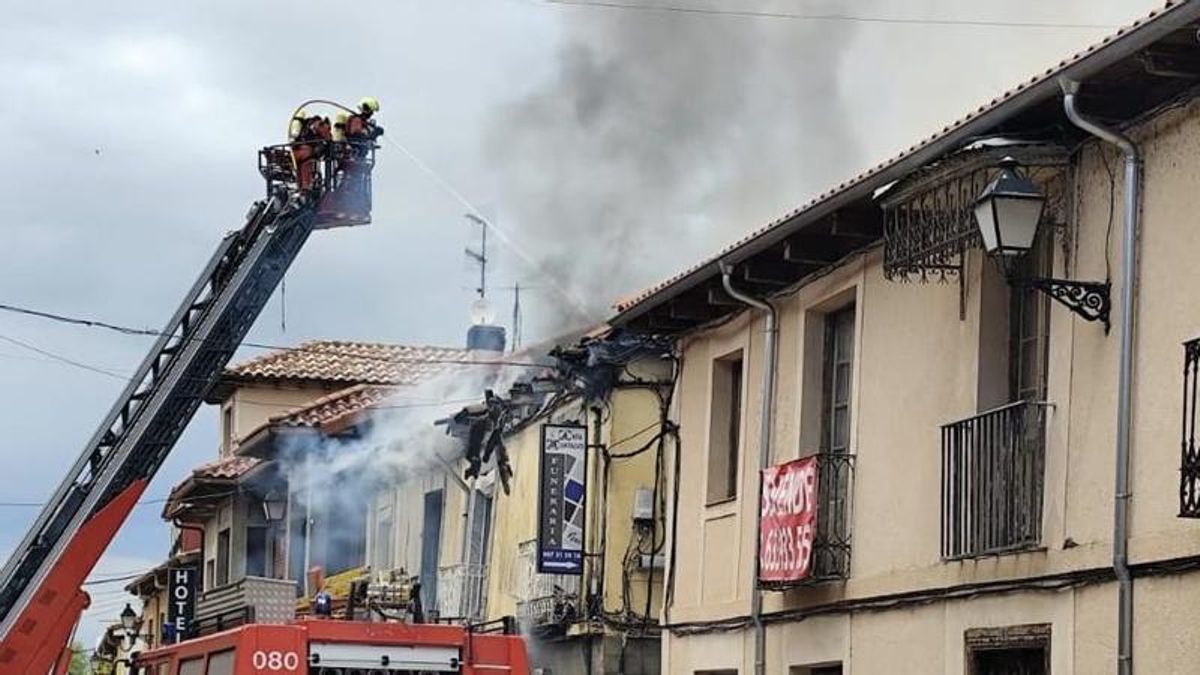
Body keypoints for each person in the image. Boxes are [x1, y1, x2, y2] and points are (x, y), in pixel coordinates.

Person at [290, 112, 332, 194]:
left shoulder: (305, 125)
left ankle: (300, 190)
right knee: (306, 172)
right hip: (306, 153)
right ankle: (306, 190)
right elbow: (327, 137)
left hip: (295, 152)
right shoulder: (320, 124)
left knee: (299, 174)